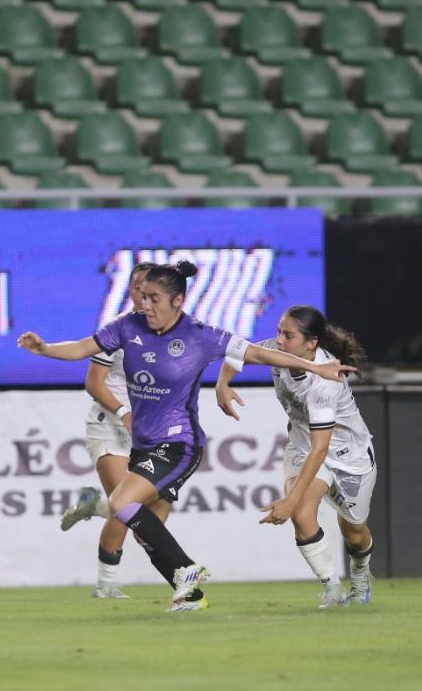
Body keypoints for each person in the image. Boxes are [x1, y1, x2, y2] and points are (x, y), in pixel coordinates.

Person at [18, 260, 354, 611]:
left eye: (154, 299)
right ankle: (190, 595)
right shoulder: (128, 326)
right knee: (148, 526)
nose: (144, 305)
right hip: (143, 445)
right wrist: (44, 348)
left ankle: (187, 570)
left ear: (178, 301)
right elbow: (83, 348)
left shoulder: (200, 335)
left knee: (122, 503)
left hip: (179, 444)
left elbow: (257, 353)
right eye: (143, 297)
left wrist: (315, 367)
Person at [215, 306, 377, 608]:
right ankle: (332, 588)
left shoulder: (324, 384)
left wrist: (287, 501)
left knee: (354, 533)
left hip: (347, 456)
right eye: (278, 331)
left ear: (312, 342)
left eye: (288, 335)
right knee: (303, 514)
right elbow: (237, 351)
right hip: (303, 448)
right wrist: (223, 384)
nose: (279, 340)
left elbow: (322, 448)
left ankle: (361, 571)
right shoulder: (276, 351)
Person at [59, 262, 174, 600]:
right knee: (129, 510)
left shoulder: (172, 332)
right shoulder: (118, 329)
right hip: (110, 426)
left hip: (151, 434)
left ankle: (93, 506)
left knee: (153, 515)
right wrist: (124, 413)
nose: (140, 293)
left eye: (148, 288)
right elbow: (94, 383)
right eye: (135, 286)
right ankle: (106, 585)